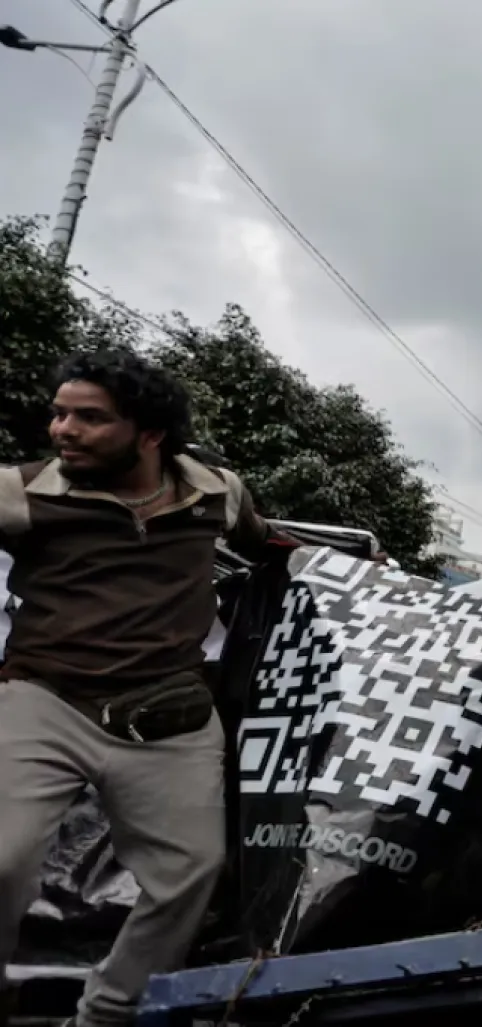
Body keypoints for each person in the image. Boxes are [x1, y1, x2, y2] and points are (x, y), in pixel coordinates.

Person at [0, 350, 288, 1027]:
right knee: (3, 857)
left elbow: (266, 541)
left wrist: (334, 562)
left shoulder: (218, 492)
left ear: (150, 433)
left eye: (89, 418)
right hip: (47, 699)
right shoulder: (23, 491)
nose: (62, 429)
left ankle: (105, 1012)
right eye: (59, 412)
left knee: (193, 869)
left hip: (169, 714)